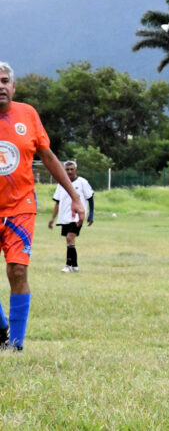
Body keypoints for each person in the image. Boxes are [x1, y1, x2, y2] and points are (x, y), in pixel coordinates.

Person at [0, 61, 85, 351]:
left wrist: (74, 195)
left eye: (4, 81)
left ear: (13, 86)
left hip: (20, 208)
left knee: (18, 271)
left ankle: (16, 343)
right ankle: (2, 328)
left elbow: (48, 157)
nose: (0, 86)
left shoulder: (28, 115)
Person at [48, 160, 94, 273]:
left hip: (78, 217)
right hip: (64, 217)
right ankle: (75, 265)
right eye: (67, 169)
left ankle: (68, 265)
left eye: (71, 169)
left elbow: (90, 198)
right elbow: (57, 202)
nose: (69, 171)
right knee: (69, 242)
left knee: (70, 237)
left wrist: (91, 215)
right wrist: (53, 218)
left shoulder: (83, 182)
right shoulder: (61, 183)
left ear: (76, 170)